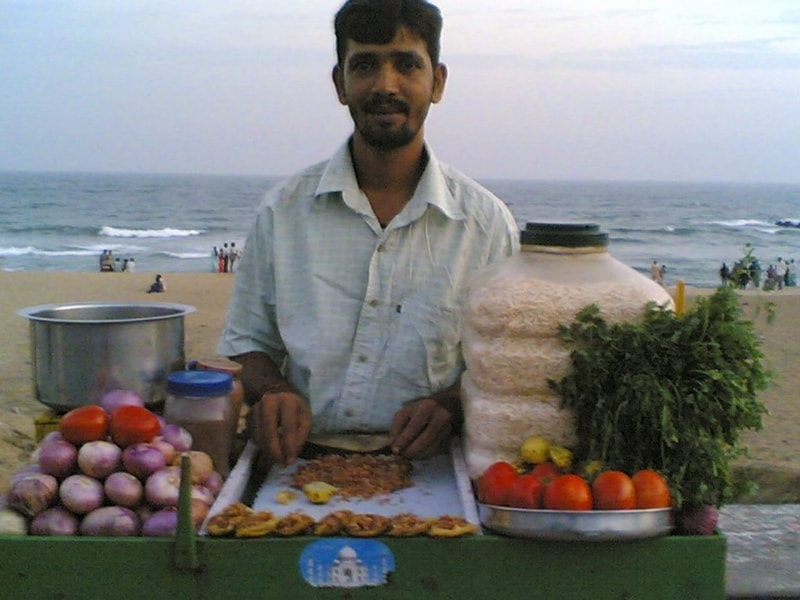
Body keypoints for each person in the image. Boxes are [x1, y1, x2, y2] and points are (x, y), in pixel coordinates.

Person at [217, 0, 519, 467]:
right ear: (340, 83)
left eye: (406, 65)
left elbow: (503, 364)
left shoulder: (485, 224)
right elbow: (246, 345)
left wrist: (451, 406)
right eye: (364, 65)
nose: (385, 86)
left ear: (436, 82)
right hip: (295, 464)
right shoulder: (284, 211)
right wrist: (273, 390)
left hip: (441, 469)